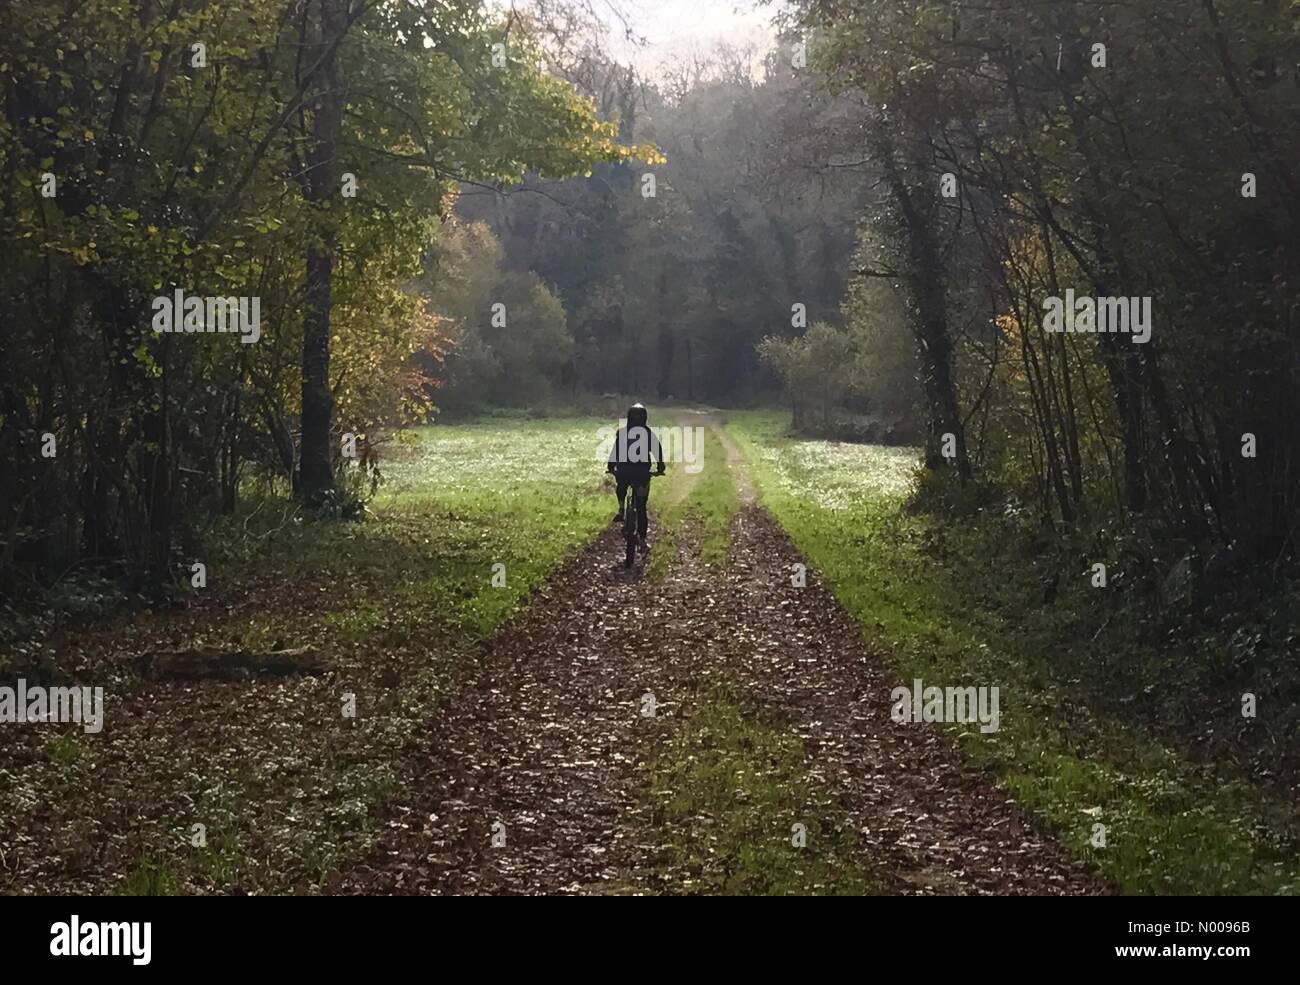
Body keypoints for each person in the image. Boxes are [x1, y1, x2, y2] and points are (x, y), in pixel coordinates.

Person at [607, 403, 665, 548]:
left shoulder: (622, 432)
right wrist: (660, 467)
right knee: (641, 506)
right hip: (642, 472)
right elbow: (657, 450)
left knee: (621, 486)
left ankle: (621, 508)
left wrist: (611, 467)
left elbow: (615, 451)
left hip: (624, 471)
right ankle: (642, 538)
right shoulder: (648, 433)